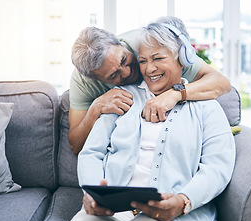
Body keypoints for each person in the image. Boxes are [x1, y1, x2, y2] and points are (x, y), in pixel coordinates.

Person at [63, 18, 236, 221]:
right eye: (143, 61)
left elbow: (218, 166)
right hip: (116, 210)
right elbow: (90, 152)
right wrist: (92, 193)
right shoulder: (120, 99)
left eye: (158, 58)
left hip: (176, 208)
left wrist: (184, 200)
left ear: (182, 60)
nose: (148, 68)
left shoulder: (206, 107)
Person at [68, 16, 232, 155]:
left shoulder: (148, 43)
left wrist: (175, 94)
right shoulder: (83, 81)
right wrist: (95, 108)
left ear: (119, 44)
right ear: (97, 79)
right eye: (114, 75)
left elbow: (221, 83)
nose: (126, 72)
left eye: (124, 60)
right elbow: (76, 146)